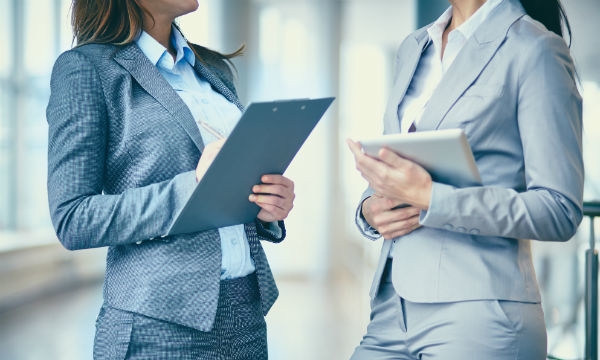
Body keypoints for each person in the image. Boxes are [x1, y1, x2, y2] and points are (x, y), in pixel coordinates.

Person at [46, 0, 295, 358]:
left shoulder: (212, 69)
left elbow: (230, 186)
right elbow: (73, 218)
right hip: (156, 324)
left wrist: (263, 204)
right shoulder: (87, 69)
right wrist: (194, 188)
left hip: (246, 315)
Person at [346, 0, 582, 358]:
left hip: (479, 314)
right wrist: (369, 209)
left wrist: (432, 198)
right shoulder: (414, 47)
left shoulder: (534, 49)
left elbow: (559, 209)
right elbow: (402, 162)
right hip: (391, 309)